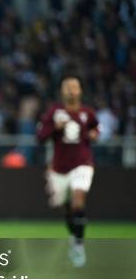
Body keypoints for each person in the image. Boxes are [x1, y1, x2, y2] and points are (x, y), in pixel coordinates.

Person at [36, 76, 99, 267]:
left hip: (82, 164)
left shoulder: (87, 113)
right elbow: (40, 137)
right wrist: (55, 128)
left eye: (75, 87)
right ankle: (74, 235)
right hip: (59, 168)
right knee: (67, 208)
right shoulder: (54, 112)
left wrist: (94, 135)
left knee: (78, 200)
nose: (72, 91)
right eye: (68, 88)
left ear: (80, 91)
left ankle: (78, 245)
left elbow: (95, 130)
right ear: (63, 92)